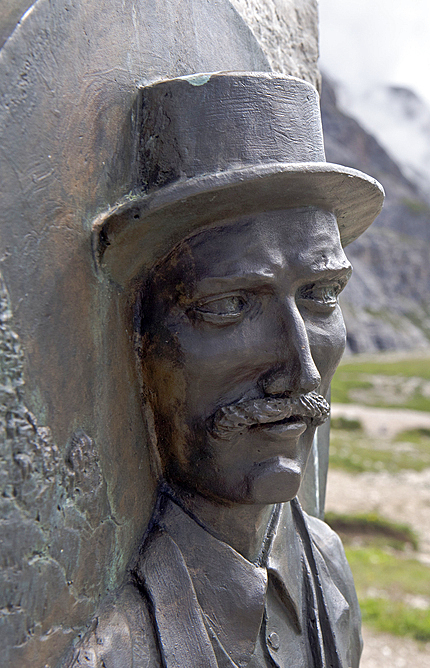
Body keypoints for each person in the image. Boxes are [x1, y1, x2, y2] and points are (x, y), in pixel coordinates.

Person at [69, 71, 383, 668]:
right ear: (139, 340)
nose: (302, 371)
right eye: (230, 306)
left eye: (321, 295)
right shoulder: (113, 651)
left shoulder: (329, 570)